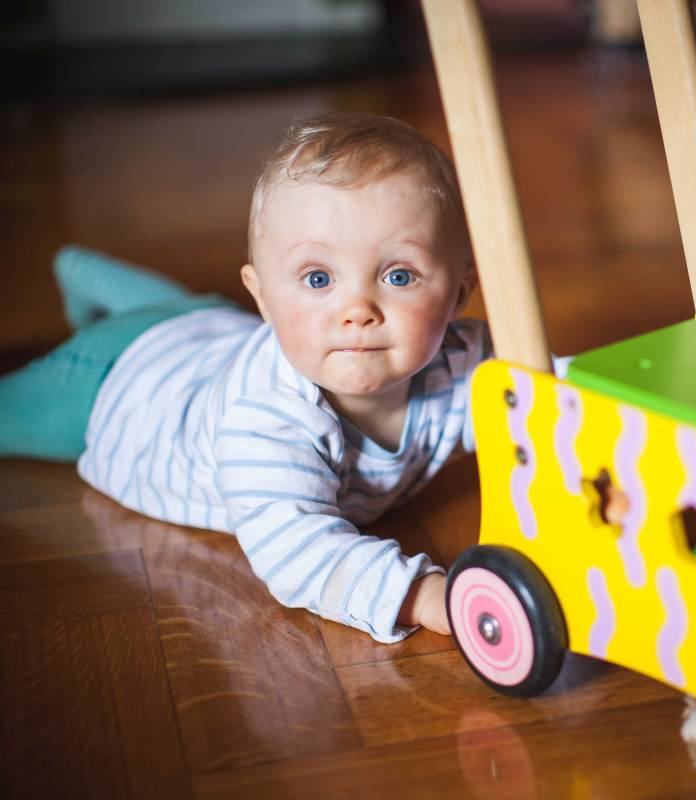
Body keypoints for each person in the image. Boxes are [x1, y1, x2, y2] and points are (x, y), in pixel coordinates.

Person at [0, 111, 490, 641]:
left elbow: (548, 394)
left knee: (171, 309)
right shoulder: (266, 421)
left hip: (203, 324)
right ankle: (80, 280)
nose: (358, 309)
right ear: (263, 297)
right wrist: (423, 596)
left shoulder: (468, 364)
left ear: (459, 293)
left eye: (399, 275)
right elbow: (302, 552)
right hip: (112, 382)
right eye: (318, 277)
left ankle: (79, 269)